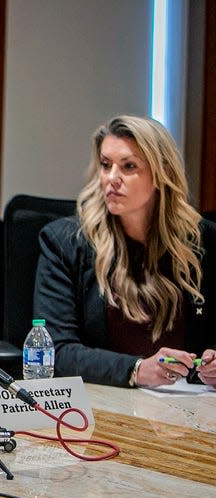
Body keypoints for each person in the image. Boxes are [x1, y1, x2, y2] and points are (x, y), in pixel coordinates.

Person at [34, 115, 216, 387]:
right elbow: (56, 351)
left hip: (189, 405)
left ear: (163, 173)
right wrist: (136, 369)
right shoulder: (66, 242)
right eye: (106, 165)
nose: (111, 178)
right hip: (102, 403)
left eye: (129, 166)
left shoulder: (202, 241)